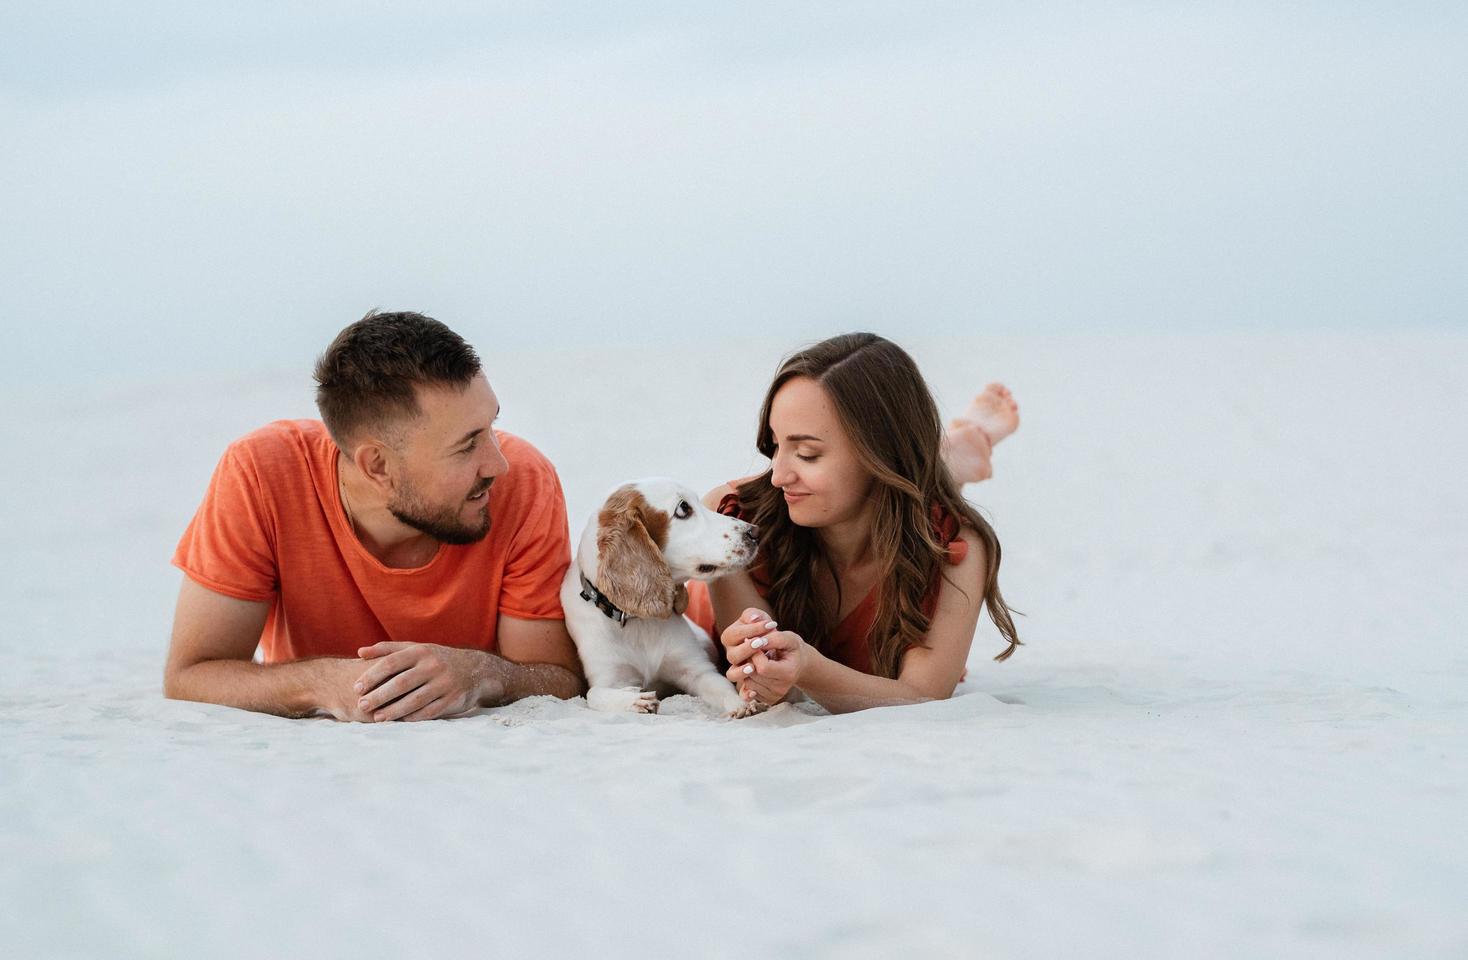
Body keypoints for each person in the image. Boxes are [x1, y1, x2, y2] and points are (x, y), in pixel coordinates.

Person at [163, 311, 583, 721]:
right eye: (467, 444)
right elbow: (192, 675)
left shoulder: (525, 482)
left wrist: (481, 673)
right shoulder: (261, 473)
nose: (497, 464)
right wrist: (322, 681)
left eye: (490, 427)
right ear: (377, 466)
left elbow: (559, 679)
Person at [685, 333, 1021, 714]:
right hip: (841, 508)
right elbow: (765, 680)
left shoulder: (955, 547)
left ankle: (950, 457)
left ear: (879, 455)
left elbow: (924, 695)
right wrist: (780, 667)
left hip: (895, 508)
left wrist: (809, 667)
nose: (777, 475)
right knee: (898, 494)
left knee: (911, 509)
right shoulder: (731, 518)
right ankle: (949, 457)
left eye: (808, 454)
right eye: (775, 446)